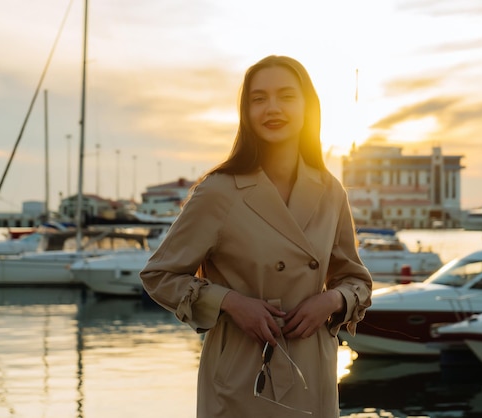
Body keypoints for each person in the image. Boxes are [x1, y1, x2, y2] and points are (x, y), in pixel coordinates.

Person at [140, 55, 372, 417]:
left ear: (308, 107)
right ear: (245, 112)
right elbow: (159, 275)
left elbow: (355, 279)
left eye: (286, 96)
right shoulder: (218, 191)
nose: (272, 108)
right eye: (258, 98)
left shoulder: (330, 191)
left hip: (313, 369)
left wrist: (331, 301)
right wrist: (229, 301)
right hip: (242, 375)